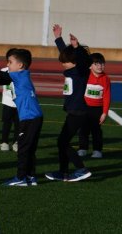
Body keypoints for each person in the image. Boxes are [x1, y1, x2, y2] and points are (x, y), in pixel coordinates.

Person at [0, 48, 44, 186]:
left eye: (10, 62)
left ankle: (21, 178)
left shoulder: (18, 75)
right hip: (36, 117)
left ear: (20, 65)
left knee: (23, 149)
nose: (8, 65)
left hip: (29, 118)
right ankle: (31, 176)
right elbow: (2, 81)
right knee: (30, 149)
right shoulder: (22, 75)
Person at [45, 24, 92, 182]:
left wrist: (77, 47)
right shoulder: (72, 69)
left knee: (62, 142)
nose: (63, 64)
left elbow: (82, 60)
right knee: (62, 142)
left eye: (65, 62)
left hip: (79, 112)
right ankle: (63, 172)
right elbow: (66, 55)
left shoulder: (80, 71)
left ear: (76, 61)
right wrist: (59, 38)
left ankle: (81, 169)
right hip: (73, 111)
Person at [78, 53, 111, 158]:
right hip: (84, 107)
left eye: (102, 64)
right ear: (90, 66)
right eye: (96, 64)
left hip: (98, 109)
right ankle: (83, 148)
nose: (100, 66)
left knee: (96, 130)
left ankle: (97, 150)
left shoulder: (106, 79)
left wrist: (104, 113)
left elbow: (107, 96)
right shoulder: (85, 76)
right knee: (83, 129)